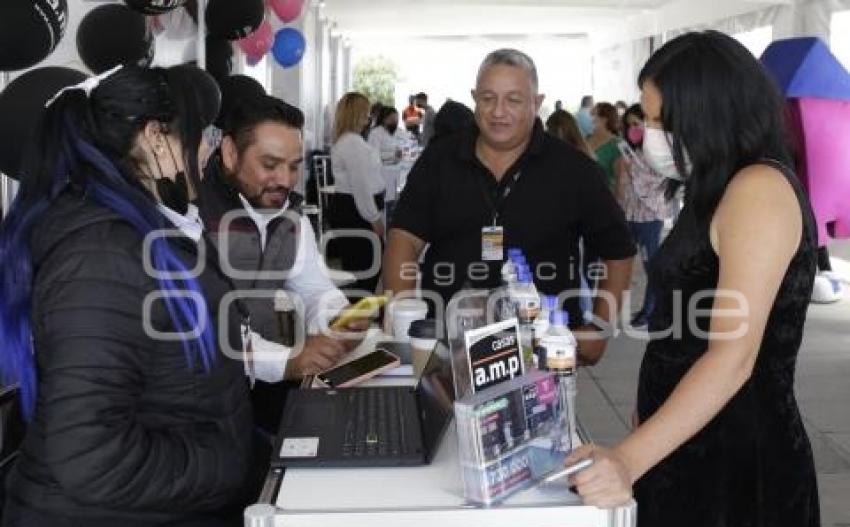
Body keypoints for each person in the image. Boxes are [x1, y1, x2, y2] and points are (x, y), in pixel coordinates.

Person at [564, 31, 822, 527]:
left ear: (707, 113)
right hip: (687, 439)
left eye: (662, 121)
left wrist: (627, 461)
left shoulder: (757, 190)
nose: (649, 135)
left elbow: (733, 357)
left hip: (735, 456)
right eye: (648, 119)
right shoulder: (716, 188)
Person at [0, 65, 262, 527]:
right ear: (155, 138)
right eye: (202, 135)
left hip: (152, 511)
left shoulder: (143, 234)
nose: (208, 151)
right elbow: (89, 456)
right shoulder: (102, 258)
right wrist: (225, 465)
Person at [384, 49, 635, 363]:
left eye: (513, 100)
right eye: (488, 98)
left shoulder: (573, 170)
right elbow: (403, 238)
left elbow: (619, 251)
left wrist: (598, 328)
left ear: (536, 102)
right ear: (474, 98)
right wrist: (404, 319)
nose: (498, 112)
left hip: (540, 349)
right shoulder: (440, 160)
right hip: (447, 345)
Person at [198, 94, 367, 432]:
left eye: (293, 166)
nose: (286, 181)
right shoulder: (196, 218)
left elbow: (313, 286)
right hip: (203, 401)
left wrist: (335, 317)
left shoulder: (290, 215)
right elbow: (207, 327)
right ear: (230, 153)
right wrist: (286, 361)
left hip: (262, 392)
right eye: (270, 164)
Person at [614, 104, 667, 327]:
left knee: (651, 265)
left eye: (637, 124)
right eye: (629, 126)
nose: (632, 130)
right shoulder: (632, 151)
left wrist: (630, 171)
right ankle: (647, 309)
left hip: (649, 217)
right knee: (629, 262)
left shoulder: (658, 152)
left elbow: (655, 184)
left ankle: (652, 310)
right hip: (630, 215)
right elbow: (624, 189)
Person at [328, 92, 387, 293]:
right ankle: (360, 315)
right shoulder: (352, 143)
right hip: (357, 212)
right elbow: (361, 187)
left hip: (352, 209)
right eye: (365, 111)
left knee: (360, 269)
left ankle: (359, 313)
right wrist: (375, 218)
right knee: (366, 270)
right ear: (356, 113)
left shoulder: (348, 141)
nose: (369, 116)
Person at [587, 101, 622, 191]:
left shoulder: (617, 144)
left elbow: (620, 180)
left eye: (593, 115)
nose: (591, 119)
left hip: (605, 194)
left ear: (604, 119)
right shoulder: (586, 139)